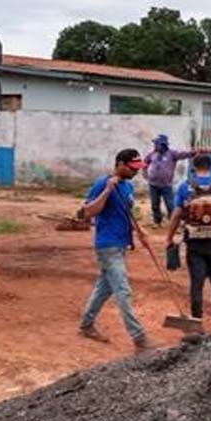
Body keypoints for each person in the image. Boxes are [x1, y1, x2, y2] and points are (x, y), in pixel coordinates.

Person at [78, 148, 156, 352]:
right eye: (132, 168)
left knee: (104, 288)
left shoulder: (127, 187)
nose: (136, 172)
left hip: (121, 244)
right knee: (122, 289)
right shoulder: (103, 183)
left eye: (138, 168)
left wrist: (140, 230)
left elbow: (126, 213)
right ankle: (139, 338)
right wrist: (107, 190)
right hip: (107, 245)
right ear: (120, 164)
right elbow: (88, 212)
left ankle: (86, 325)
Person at [165, 154, 211, 333]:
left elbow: (176, 215)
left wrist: (169, 237)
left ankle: (197, 323)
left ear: (194, 167)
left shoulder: (185, 187)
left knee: (196, 283)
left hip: (195, 244)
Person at [143, 134, 195, 228]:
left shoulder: (172, 154)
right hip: (153, 184)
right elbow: (145, 162)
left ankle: (173, 222)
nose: (155, 146)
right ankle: (157, 221)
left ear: (163, 145)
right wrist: (145, 174)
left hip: (166, 185)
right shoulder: (152, 154)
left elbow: (183, 155)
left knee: (170, 205)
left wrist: (193, 153)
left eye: (156, 144)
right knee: (155, 204)